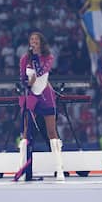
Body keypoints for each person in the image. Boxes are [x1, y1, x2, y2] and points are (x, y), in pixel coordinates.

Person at [18, 32, 64, 181]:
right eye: (31, 39)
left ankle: (59, 169)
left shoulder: (48, 57)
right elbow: (22, 78)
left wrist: (36, 57)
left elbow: (42, 70)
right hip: (31, 96)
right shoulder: (25, 58)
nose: (33, 42)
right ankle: (22, 168)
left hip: (45, 96)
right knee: (26, 131)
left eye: (36, 39)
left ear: (41, 42)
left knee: (52, 131)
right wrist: (27, 83)